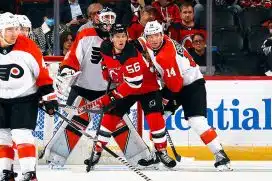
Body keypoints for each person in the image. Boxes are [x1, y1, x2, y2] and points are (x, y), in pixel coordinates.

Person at [137, 20, 232, 171]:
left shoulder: (166, 55)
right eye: (150, 36)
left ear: (162, 35)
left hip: (192, 85)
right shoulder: (151, 42)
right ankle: (157, 154)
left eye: (156, 35)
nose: (153, 39)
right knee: (157, 119)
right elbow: (140, 42)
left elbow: (175, 85)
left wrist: (163, 100)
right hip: (176, 82)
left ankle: (220, 155)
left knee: (197, 121)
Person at [85, 23, 176, 168]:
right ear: (111, 38)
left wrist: (111, 97)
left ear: (127, 38)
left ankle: (161, 151)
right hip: (126, 86)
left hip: (146, 87)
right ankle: (97, 151)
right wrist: (105, 68)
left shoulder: (131, 54)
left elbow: (134, 84)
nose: (121, 40)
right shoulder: (105, 47)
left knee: (155, 118)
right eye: (117, 37)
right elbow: (106, 61)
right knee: (110, 116)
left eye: (123, 36)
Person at [43, 7, 117, 167]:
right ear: (97, 19)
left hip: (107, 90)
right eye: (105, 17)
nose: (108, 22)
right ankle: (56, 156)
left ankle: (138, 155)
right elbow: (73, 57)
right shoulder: (86, 34)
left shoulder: (118, 37)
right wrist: (67, 69)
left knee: (117, 121)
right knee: (75, 124)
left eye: (111, 18)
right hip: (82, 88)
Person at [0, 12, 58, 181]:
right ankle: (6, 172)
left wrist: (49, 97)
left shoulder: (28, 46)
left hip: (24, 98)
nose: (14, 33)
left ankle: (29, 173)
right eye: (9, 29)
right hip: (1, 99)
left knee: (21, 134)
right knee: (2, 135)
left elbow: (43, 74)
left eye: (16, 29)